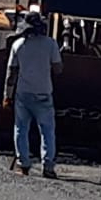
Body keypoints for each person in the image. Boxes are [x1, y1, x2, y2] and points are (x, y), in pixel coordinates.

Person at [5, 11, 63, 178]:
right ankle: (48, 166)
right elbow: (58, 69)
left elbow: (11, 73)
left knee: (20, 129)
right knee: (47, 131)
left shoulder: (18, 45)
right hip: (44, 94)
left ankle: (23, 164)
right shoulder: (50, 44)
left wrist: (7, 95)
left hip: (23, 94)